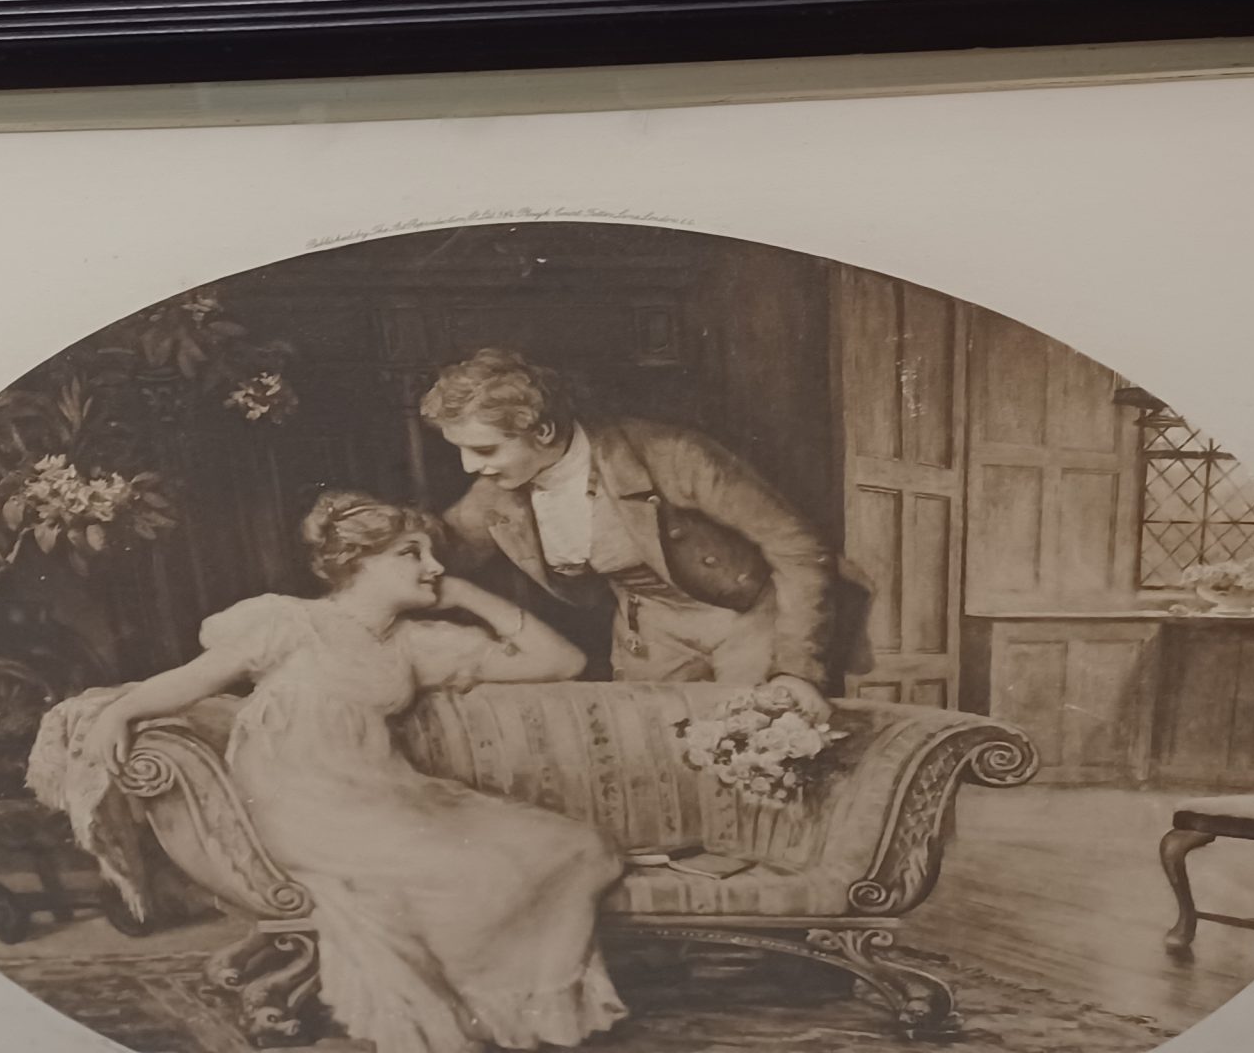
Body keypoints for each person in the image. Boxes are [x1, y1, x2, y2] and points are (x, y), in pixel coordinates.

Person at [84, 491, 627, 1053]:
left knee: (574, 846)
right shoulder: (291, 623)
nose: (433, 568)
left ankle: (508, 1007)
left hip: (384, 795)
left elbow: (561, 662)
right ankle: (474, 1012)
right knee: (470, 871)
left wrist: (468, 595)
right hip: (299, 802)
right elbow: (195, 679)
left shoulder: (412, 644)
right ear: (355, 562)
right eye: (410, 553)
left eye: (431, 554)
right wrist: (122, 711)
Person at [424, 348, 838, 711]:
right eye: (460, 450)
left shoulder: (672, 455)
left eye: (484, 449)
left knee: (751, 733)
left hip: (744, 618)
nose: (469, 466)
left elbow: (797, 547)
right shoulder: (496, 492)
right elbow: (442, 547)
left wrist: (797, 667)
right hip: (649, 630)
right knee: (651, 738)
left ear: (543, 431)